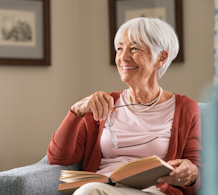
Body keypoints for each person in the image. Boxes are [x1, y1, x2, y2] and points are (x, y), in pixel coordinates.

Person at [47, 17, 202, 195]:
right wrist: (75, 112)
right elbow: (59, 158)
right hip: (104, 187)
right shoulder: (103, 104)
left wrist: (192, 173)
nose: (123, 57)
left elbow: (194, 175)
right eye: (120, 48)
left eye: (134, 48)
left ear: (161, 57)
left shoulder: (185, 108)